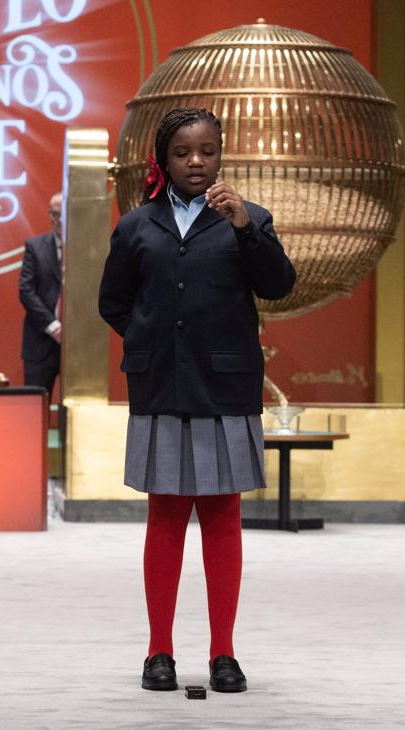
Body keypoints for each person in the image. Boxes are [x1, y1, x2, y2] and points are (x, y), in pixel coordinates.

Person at [98, 108, 296, 694]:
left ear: (221, 155)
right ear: (165, 159)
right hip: (161, 387)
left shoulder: (248, 220)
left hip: (226, 390)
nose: (196, 162)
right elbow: (114, 303)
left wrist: (244, 228)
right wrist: (151, 339)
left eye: (207, 151)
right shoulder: (136, 226)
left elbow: (278, 285)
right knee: (164, 517)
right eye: (184, 152)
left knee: (222, 518)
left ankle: (223, 654)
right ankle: (159, 652)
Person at [19, 192, 64, 399]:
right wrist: (54, 327)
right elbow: (26, 291)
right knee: (35, 409)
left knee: (77, 411)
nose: (58, 221)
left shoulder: (86, 250)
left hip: (77, 345)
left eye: (62, 215)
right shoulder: (35, 247)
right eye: (54, 215)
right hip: (40, 340)